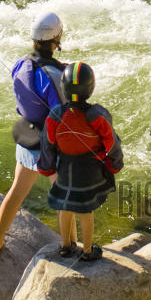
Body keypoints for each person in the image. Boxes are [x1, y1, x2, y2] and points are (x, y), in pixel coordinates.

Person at [0, 12, 66, 258]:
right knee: (63, 198)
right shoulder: (55, 74)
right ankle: (67, 246)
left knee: (17, 191)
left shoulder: (21, 64)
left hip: (27, 136)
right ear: (57, 39)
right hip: (48, 144)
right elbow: (59, 113)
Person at [37, 61, 122, 262]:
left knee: (65, 206)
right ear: (90, 88)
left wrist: (47, 167)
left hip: (65, 168)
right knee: (86, 210)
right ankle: (87, 251)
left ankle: (65, 246)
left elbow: (47, 144)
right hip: (90, 170)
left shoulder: (56, 115)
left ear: (64, 89)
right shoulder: (97, 115)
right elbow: (112, 143)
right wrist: (114, 164)